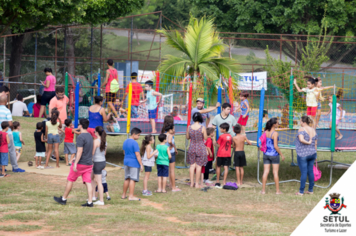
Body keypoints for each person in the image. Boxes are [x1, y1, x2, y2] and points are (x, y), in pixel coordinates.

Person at [54, 119, 94, 207]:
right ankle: (90, 202)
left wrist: (75, 162)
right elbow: (88, 150)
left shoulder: (80, 137)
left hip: (80, 164)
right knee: (88, 182)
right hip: (89, 163)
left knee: (70, 180)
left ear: (80, 126)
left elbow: (80, 151)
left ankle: (63, 199)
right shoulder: (90, 136)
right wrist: (75, 158)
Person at [0, 95, 25, 173]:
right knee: (12, 150)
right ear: (6, 101)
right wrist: (11, 128)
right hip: (7, 133)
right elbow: (10, 123)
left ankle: (1, 167)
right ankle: (15, 167)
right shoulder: (7, 110)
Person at [261, 118, 285, 195]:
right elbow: (275, 146)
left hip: (266, 154)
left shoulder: (265, 132)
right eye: (277, 123)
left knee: (265, 172)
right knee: (275, 173)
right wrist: (281, 154)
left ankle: (263, 190)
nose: (278, 124)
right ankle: (277, 191)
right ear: (274, 124)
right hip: (274, 155)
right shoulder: (275, 133)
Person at [295, 116, 318, 196]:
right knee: (310, 171)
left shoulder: (302, 129)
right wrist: (315, 154)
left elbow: (301, 140)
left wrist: (308, 142)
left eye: (300, 121)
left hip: (303, 154)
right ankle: (310, 190)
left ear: (304, 122)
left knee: (304, 172)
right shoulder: (313, 130)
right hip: (312, 153)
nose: (300, 123)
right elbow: (315, 144)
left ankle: (301, 192)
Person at [187, 112, 208, 188]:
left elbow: (187, 137)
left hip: (192, 147)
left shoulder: (189, 127)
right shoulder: (202, 127)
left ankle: (192, 183)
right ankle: (196, 184)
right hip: (200, 147)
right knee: (199, 166)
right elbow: (205, 138)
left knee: (192, 166)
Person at [122, 128, 143, 201]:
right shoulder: (134, 143)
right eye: (138, 135)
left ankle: (124, 195)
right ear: (133, 134)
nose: (139, 137)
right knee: (133, 179)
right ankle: (131, 196)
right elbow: (137, 154)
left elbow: (124, 152)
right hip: (133, 163)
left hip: (126, 162)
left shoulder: (125, 141)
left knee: (127, 178)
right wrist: (141, 164)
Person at [91, 126, 107, 206]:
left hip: (97, 162)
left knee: (99, 182)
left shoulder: (96, 141)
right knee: (91, 178)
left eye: (94, 131)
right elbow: (104, 153)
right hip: (102, 161)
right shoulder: (104, 141)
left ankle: (101, 200)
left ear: (97, 132)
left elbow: (92, 153)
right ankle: (93, 196)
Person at [215, 123, 232, 187]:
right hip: (227, 154)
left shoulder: (221, 136)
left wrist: (214, 143)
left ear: (224, 129)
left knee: (218, 166)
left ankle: (217, 180)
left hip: (221, 153)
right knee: (226, 167)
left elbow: (218, 145)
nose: (220, 129)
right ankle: (224, 181)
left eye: (221, 128)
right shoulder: (230, 136)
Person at [165, 124, 181, 192]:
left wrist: (174, 148)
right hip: (171, 153)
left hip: (165, 153)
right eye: (173, 129)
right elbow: (169, 141)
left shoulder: (164, 135)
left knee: (168, 170)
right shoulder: (170, 135)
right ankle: (173, 187)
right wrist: (171, 145)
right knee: (172, 170)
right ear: (170, 129)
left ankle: (170, 184)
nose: (174, 130)